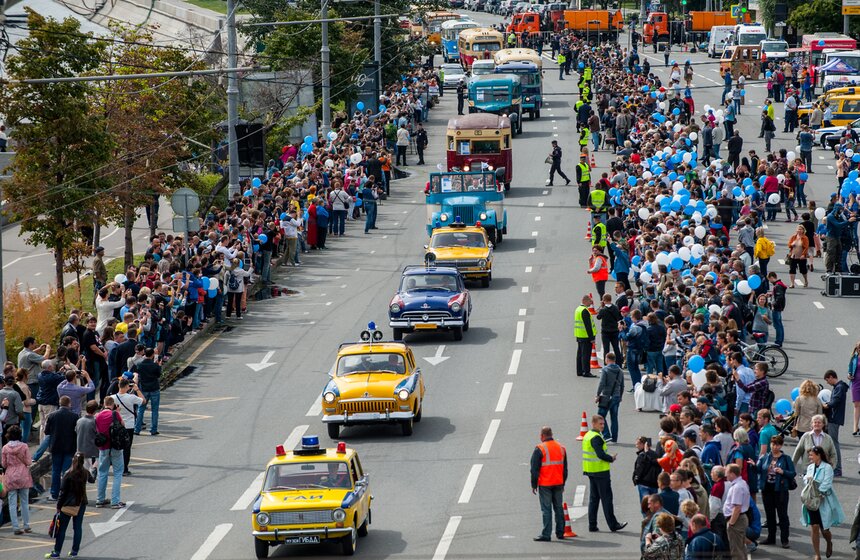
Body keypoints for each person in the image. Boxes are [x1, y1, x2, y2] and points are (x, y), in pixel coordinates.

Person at [582, 414, 627, 533]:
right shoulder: (596, 437)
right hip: (600, 471)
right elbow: (600, 454)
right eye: (600, 424)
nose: (602, 426)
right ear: (594, 423)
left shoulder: (588, 435)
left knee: (594, 499)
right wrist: (611, 458)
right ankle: (613, 525)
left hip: (591, 470)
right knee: (606, 498)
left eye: (603, 424)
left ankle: (592, 525)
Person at [801, 447, 844, 560]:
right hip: (811, 501)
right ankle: (817, 554)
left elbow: (827, 483)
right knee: (814, 527)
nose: (810, 457)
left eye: (811, 455)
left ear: (819, 455)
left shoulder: (827, 468)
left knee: (824, 529)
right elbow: (805, 479)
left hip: (822, 501)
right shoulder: (810, 467)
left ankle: (829, 542)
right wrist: (807, 479)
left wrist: (818, 491)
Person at [47, 452, 89, 558]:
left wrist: (58, 506)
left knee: (62, 529)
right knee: (77, 528)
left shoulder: (68, 474)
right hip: (81, 503)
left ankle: (57, 552)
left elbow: (62, 493)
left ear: (72, 461)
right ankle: (74, 551)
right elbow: (92, 480)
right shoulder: (84, 472)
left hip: (67, 505)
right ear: (83, 462)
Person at [756, 434, 795, 548]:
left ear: (781, 445)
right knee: (770, 515)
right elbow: (759, 469)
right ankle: (771, 538)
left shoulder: (786, 458)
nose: (775, 447)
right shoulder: (765, 457)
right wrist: (754, 465)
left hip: (781, 490)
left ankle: (784, 539)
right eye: (773, 444)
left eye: (777, 444)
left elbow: (792, 473)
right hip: (767, 489)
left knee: (782, 515)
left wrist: (783, 472)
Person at [530, 426, 568, 541]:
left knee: (546, 509)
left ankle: (546, 534)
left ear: (542, 436)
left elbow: (534, 469)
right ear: (552, 435)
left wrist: (534, 485)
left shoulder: (540, 448)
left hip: (545, 484)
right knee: (559, 508)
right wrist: (563, 483)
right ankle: (560, 532)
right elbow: (565, 469)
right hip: (558, 482)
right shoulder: (561, 448)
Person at [95, 396, 126, 508]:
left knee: (102, 472)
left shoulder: (98, 416)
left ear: (104, 404)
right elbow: (123, 425)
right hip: (115, 446)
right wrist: (117, 412)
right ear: (113, 404)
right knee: (118, 472)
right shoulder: (114, 414)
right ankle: (115, 501)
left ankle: (100, 499)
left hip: (103, 447)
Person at [1, 424, 33, 534]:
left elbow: (4, 464)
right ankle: (26, 525)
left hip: (11, 475)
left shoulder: (5, 448)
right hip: (23, 475)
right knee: (24, 501)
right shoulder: (24, 446)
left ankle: (15, 527)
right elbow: (28, 462)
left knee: (12, 502)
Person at [821, 370, 849, 476]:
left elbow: (835, 401)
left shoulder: (839, 387)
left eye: (828, 380)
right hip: (834, 418)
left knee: (834, 443)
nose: (828, 383)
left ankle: (837, 468)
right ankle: (833, 467)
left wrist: (826, 405)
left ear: (831, 377)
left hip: (834, 419)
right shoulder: (839, 387)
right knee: (831, 442)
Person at [723, 463, 750, 560]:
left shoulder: (737, 487)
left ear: (732, 474)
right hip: (739, 519)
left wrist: (731, 523)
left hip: (736, 520)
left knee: (736, 550)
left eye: (727, 472)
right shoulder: (742, 483)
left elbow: (737, 507)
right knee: (740, 548)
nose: (725, 475)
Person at [133, 348, 162, 436]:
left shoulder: (139, 364)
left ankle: (137, 429)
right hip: (154, 389)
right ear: (152, 355)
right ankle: (153, 429)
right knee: (155, 410)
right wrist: (159, 366)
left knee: (141, 409)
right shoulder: (155, 365)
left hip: (144, 389)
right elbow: (158, 375)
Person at [595, 352, 623, 443]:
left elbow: (602, 383)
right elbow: (622, 385)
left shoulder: (605, 370)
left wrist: (598, 395)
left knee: (600, 416)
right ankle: (614, 438)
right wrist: (620, 396)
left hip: (606, 397)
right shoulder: (620, 370)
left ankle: (606, 435)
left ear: (607, 359)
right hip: (616, 396)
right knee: (614, 418)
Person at [574, 294, 597, 378]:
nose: (591, 303)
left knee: (580, 354)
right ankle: (586, 371)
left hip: (579, 335)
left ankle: (579, 370)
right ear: (585, 301)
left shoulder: (578, 309)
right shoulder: (585, 311)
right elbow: (588, 326)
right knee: (586, 355)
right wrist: (592, 338)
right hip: (585, 336)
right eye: (589, 301)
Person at [633, 436, 660, 502]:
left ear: (643, 444)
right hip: (654, 484)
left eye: (637, 444)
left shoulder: (642, 455)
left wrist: (636, 479)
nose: (636, 446)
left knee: (645, 506)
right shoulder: (655, 454)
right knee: (654, 504)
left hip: (644, 484)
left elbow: (639, 469)